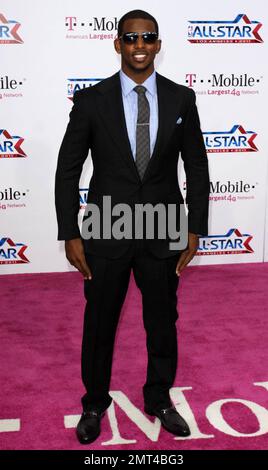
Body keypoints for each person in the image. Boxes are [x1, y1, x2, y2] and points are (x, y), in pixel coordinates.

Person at [55, 9, 209, 444]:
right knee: (99, 323)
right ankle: (93, 402)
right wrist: (70, 232)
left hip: (165, 229)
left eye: (148, 38)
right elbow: (68, 170)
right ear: (117, 43)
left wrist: (194, 227)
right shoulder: (90, 101)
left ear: (158, 44)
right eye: (131, 37)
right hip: (106, 228)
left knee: (162, 321)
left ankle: (159, 397)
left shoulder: (182, 99)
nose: (140, 46)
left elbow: (196, 166)